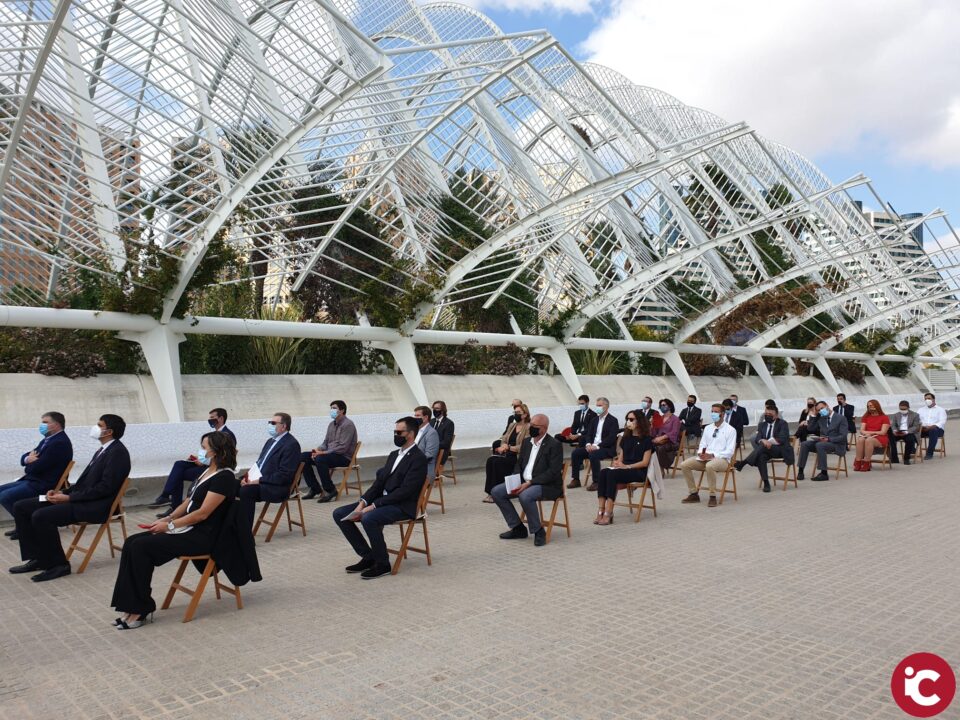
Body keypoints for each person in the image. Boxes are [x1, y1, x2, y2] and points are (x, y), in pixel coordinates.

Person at [110, 432, 241, 629]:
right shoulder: (206, 472)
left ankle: (141, 609)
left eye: (204, 447)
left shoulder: (224, 477)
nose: (201, 451)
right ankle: (130, 606)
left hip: (203, 535)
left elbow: (203, 514)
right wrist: (168, 518)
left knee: (141, 547)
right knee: (131, 543)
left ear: (214, 452)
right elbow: (189, 502)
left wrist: (170, 526)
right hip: (188, 528)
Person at [9, 414, 130, 582]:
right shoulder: (103, 450)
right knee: (22, 506)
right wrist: (62, 493)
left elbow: (104, 488)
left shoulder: (118, 453)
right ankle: (38, 558)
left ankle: (58, 565)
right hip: (77, 498)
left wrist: (69, 498)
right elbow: (84, 484)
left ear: (109, 431)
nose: (95, 427)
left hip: (92, 506)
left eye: (99, 425)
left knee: (41, 516)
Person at [332, 418, 427, 579]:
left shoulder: (418, 458)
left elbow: (406, 491)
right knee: (339, 513)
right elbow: (378, 484)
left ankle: (383, 564)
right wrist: (362, 503)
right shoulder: (393, 455)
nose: (396, 435)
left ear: (410, 434)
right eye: (395, 432)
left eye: (399, 432)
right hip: (382, 502)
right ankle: (368, 556)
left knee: (369, 518)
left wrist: (373, 506)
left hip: (402, 505)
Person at [490, 414, 562, 547]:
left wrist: (530, 483)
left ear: (544, 428)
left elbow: (553, 472)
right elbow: (519, 464)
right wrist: (515, 479)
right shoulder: (526, 442)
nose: (531, 428)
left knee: (525, 495)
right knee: (496, 492)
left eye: (535, 426)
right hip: (524, 481)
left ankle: (538, 531)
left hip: (546, 485)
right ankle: (518, 528)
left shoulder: (554, 445)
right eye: (531, 425)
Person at [149, 408, 234, 516]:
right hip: (206, 464)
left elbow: (226, 458)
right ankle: (168, 499)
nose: (210, 420)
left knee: (178, 474)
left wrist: (204, 462)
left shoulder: (227, 435)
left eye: (212, 417)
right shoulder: (216, 433)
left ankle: (170, 501)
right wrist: (199, 458)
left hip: (214, 469)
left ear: (221, 418)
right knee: (179, 464)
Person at [1, 412, 73, 529]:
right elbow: (27, 456)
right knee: (1, 492)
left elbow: (37, 467)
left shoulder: (59, 443)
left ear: (56, 425)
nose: (41, 425)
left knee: (5, 496)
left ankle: (27, 527)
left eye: (45, 422)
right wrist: (28, 458)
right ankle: (24, 524)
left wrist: (29, 464)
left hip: (44, 485)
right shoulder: (48, 440)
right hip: (33, 480)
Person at [238, 413, 301, 527]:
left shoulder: (291, 445)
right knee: (231, 484)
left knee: (246, 491)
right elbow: (259, 464)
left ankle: (245, 533)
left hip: (276, 487)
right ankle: (231, 527)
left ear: (284, 426)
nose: (270, 425)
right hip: (262, 481)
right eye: (269, 423)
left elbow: (284, 476)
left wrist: (259, 480)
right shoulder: (270, 441)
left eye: (273, 423)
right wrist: (246, 477)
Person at [594, 411, 653, 525]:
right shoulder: (626, 438)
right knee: (603, 472)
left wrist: (627, 466)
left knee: (611, 475)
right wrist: (617, 464)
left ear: (639, 421)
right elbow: (621, 458)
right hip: (624, 469)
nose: (628, 421)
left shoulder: (647, 440)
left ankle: (609, 511)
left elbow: (645, 462)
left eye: (632, 419)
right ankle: (601, 509)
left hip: (638, 471)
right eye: (627, 419)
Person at [680, 404, 737, 508]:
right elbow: (703, 444)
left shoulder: (731, 430)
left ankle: (712, 496)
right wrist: (701, 453)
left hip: (722, 460)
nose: (713, 414)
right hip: (706, 459)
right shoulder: (708, 428)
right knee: (684, 465)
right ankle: (693, 494)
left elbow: (730, 451)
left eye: (716, 412)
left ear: (722, 414)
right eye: (712, 411)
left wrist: (712, 455)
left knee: (710, 466)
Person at [301, 400, 357, 503]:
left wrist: (322, 453)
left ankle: (330, 490)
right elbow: (325, 443)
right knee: (303, 457)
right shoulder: (331, 424)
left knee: (320, 458)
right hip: (330, 455)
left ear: (342, 410)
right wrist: (317, 450)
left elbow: (343, 447)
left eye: (334, 408)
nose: (332, 410)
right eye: (331, 408)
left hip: (344, 457)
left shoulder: (348, 424)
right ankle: (315, 489)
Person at [735, 405, 792, 492]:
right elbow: (758, 438)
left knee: (762, 446)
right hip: (766, 449)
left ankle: (743, 463)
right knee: (761, 457)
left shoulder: (783, 423)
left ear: (776, 416)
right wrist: (763, 440)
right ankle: (766, 483)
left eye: (770, 414)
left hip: (780, 449)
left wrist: (770, 442)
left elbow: (783, 438)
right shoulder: (762, 425)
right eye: (766, 413)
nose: (767, 415)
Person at [569, 397, 619, 491]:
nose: (598, 407)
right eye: (597, 405)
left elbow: (611, 438)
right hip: (592, 446)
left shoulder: (613, 420)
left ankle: (597, 482)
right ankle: (576, 479)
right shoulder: (594, 420)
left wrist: (597, 446)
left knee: (593, 455)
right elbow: (589, 434)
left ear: (607, 406)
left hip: (606, 448)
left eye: (600, 405)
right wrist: (588, 444)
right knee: (576, 453)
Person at [484, 403, 530, 501]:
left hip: (517, 456)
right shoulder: (512, 425)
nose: (515, 414)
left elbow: (524, 446)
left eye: (518, 412)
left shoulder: (528, 427)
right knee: (490, 460)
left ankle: (496, 494)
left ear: (525, 414)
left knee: (497, 463)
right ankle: (490, 492)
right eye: (515, 412)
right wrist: (503, 446)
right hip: (507, 452)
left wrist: (509, 447)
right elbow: (504, 438)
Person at [796, 401, 847, 481]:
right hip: (823, 442)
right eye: (819, 410)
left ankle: (824, 473)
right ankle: (800, 471)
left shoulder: (841, 418)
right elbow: (810, 429)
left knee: (820, 445)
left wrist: (829, 439)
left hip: (837, 444)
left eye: (822, 408)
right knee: (804, 444)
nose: (821, 411)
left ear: (827, 406)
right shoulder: (821, 418)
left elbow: (843, 436)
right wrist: (814, 415)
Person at [853, 399, 890, 472]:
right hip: (867, 435)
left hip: (880, 437)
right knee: (860, 439)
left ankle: (867, 462)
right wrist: (867, 434)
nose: (870, 407)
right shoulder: (866, 417)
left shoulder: (884, 417)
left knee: (869, 440)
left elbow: (883, 432)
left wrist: (871, 433)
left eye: (872, 405)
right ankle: (858, 461)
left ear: (877, 406)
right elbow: (861, 430)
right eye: (869, 406)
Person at [888, 400, 920, 465]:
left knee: (910, 439)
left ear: (908, 407)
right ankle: (894, 458)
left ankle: (906, 458)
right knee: (890, 436)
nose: (902, 410)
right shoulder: (896, 415)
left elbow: (916, 427)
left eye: (904, 409)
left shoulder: (915, 415)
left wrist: (907, 431)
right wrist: (894, 430)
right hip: (898, 432)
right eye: (901, 409)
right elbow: (893, 425)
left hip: (909, 432)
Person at [651, 398, 680, 470]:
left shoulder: (675, 419)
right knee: (646, 446)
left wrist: (662, 437)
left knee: (659, 448)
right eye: (660, 405)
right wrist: (652, 425)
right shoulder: (659, 418)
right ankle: (650, 468)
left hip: (671, 442)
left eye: (664, 405)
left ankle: (661, 467)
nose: (662, 407)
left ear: (669, 406)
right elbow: (654, 433)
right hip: (659, 441)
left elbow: (674, 432)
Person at [413, 406, 440, 478]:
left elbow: (429, 455)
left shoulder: (431, 433)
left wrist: (411, 460)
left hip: (424, 471)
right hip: (413, 468)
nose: (415, 418)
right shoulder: (415, 431)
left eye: (418, 415)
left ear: (425, 418)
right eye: (415, 415)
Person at [918, 392, 947, 460]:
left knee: (933, 430)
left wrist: (932, 426)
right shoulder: (921, 410)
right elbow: (917, 420)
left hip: (937, 430)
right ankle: (912, 451)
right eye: (925, 399)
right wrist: (921, 427)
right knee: (912, 431)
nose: (927, 400)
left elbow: (942, 421)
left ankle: (929, 453)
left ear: (933, 399)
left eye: (929, 398)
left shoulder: (940, 410)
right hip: (923, 429)